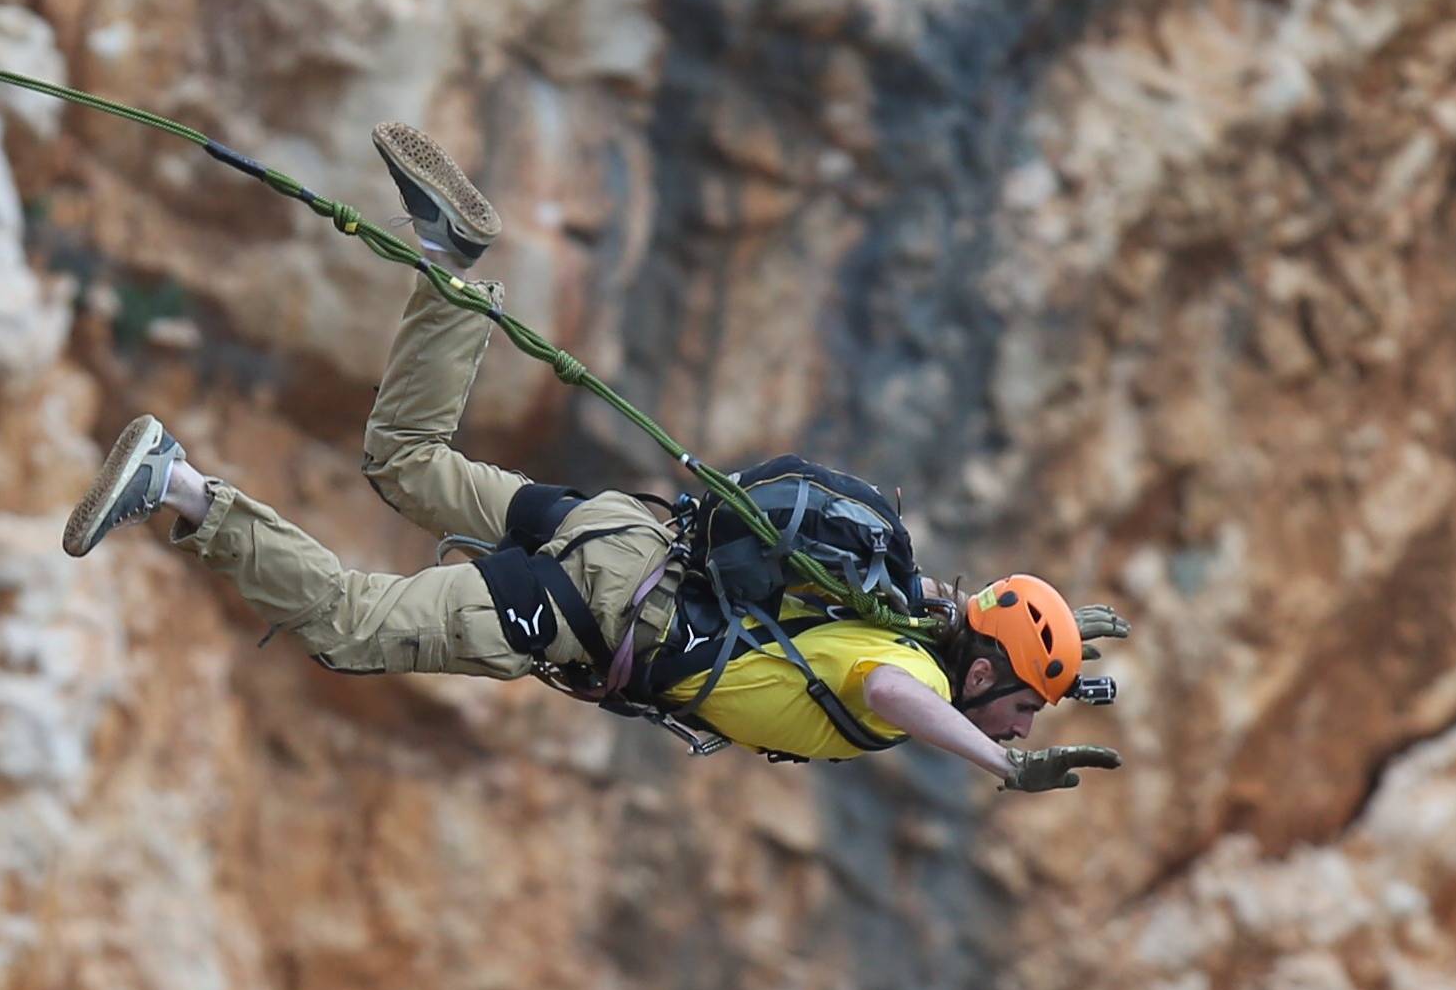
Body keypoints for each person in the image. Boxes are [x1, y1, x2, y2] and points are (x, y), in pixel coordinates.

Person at [62, 124, 1124, 798]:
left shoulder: (912, 609)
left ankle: (447, 263)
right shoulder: (910, 670)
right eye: (1025, 703)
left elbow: (939, 640)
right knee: (353, 626)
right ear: (981, 672)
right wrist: (998, 761)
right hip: (601, 605)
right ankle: (180, 485)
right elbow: (902, 700)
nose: (1026, 721)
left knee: (404, 460)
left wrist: (1067, 656)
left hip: (622, 532)